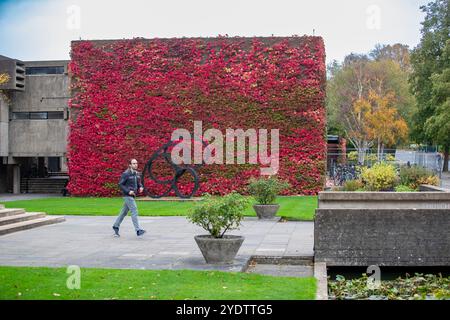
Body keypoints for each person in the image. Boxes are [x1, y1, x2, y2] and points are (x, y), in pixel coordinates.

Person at [112, 159, 146, 237]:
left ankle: (115, 226)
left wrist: (141, 187)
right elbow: (120, 184)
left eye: (136, 163)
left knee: (123, 212)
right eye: (133, 163)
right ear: (130, 165)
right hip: (127, 195)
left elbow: (139, 183)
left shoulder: (136, 173)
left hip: (132, 195)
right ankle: (138, 230)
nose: (136, 165)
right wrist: (128, 191)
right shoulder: (126, 174)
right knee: (134, 210)